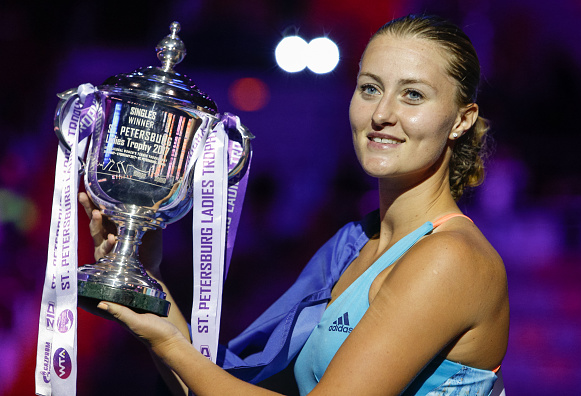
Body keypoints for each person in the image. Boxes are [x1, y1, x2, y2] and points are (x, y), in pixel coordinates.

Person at [80, 14, 509, 396]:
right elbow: (215, 384)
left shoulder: (450, 259)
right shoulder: (353, 244)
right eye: (370, 88)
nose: (381, 113)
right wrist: (146, 276)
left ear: (461, 119)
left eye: (413, 95)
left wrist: (168, 343)